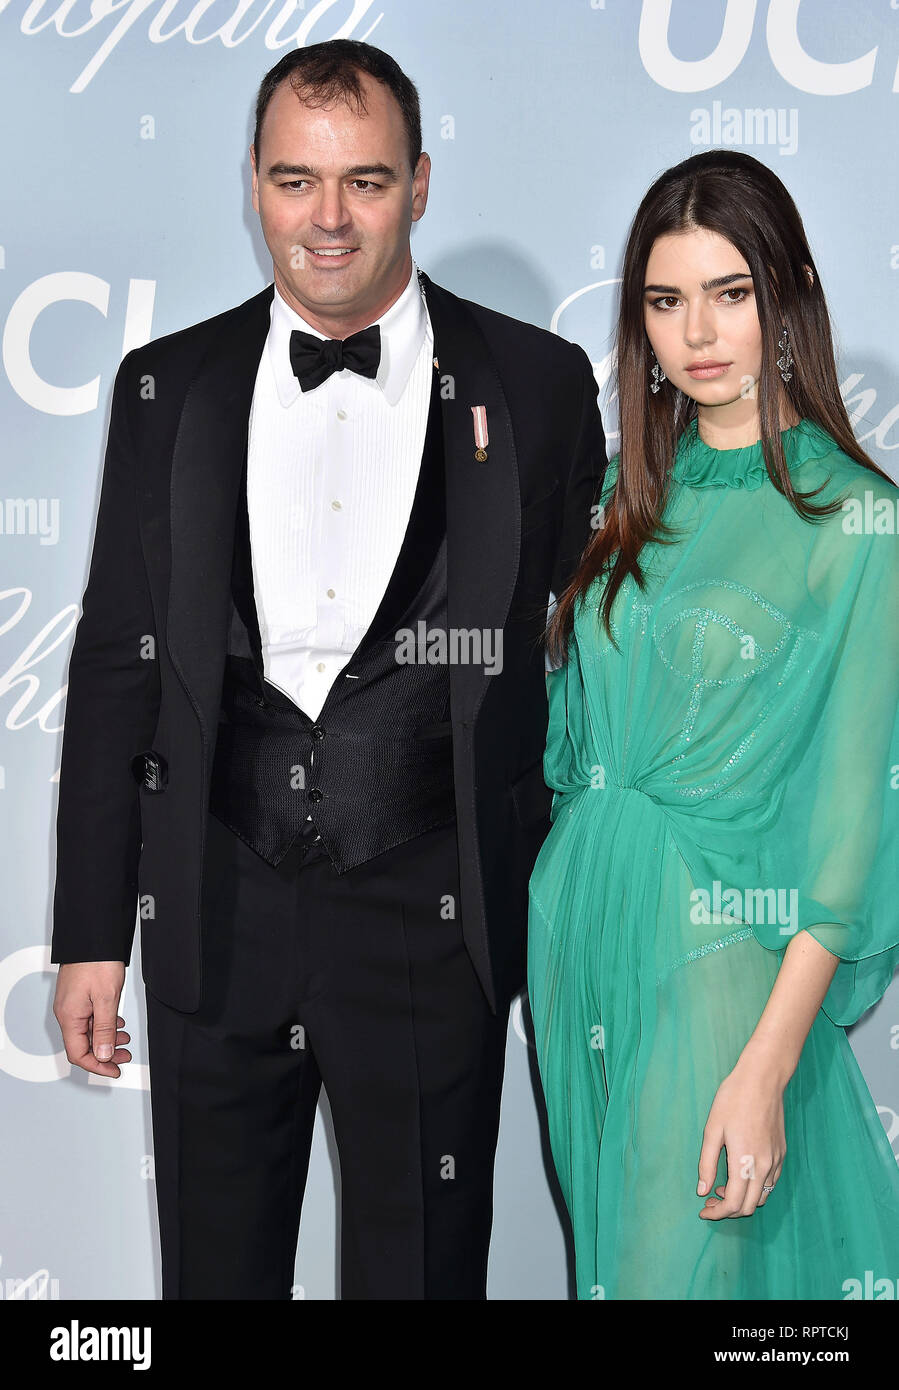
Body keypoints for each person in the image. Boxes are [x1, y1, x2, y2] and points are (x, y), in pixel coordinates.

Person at [49, 39, 606, 1299]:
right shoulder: (165, 385)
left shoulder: (535, 382)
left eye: (362, 181)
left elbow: (579, 649)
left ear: (419, 182)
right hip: (212, 904)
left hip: (431, 912)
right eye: (296, 181)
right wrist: (90, 930)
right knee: (213, 1276)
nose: (329, 219)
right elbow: (115, 666)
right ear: (251, 182)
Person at [528, 149, 899, 1300]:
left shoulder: (857, 522)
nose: (697, 331)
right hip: (582, 942)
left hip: (718, 967)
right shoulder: (624, 494)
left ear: (784, 294)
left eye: (728, 293)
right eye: (664, 299)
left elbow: (848, 830)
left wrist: (767, 1062)